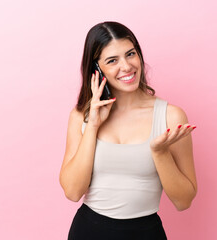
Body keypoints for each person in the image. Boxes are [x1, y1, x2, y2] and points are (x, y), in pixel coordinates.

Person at [59, 21, 197, 240]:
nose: (126, 66)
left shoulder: (171, 116)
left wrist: (160, 153)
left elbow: (184, 201)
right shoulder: (81, 117)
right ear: (96, 68)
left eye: (130, 54)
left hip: (146, 233)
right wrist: (93, 126)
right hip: (88, 231)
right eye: (112, 60)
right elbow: (73, 192)